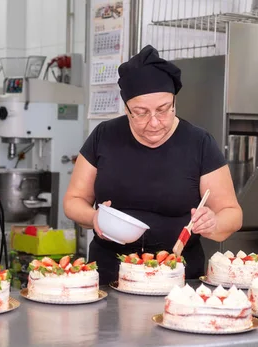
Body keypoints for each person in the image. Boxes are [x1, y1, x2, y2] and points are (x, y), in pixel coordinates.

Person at [63, 45, 242, 285]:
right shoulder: (104, 136)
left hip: (179, 277)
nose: (154, 122)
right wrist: (93, 218)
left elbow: (233, 214)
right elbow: (73, 201)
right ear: (126, 109)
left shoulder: (199, 143)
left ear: (174, 102)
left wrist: (214, 223)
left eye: (163, 109)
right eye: (141, 113)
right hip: (109, 275)